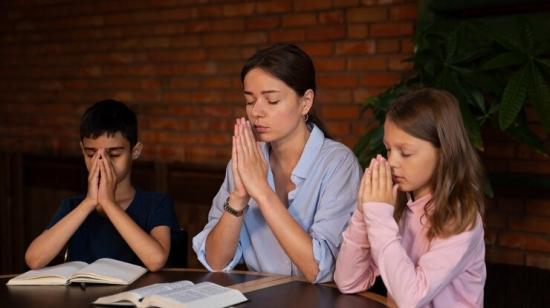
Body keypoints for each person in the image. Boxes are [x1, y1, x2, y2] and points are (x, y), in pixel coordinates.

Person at [192, 44, 362, 283]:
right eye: (250, 101)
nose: (257, 112)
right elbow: (215, 262)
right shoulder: (244, 163)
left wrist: (261, 191)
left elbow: (318, 269)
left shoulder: (338, 164)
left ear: (306, 102)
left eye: (271, 101)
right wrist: (239, 196)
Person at [334, 88, 486, 306]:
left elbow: (410, 298)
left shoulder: (462, 220)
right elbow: (348, 281)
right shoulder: (398, 205)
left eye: (405, 153)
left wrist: (378, 216)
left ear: (443, 152)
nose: (393, 162)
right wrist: (363, 210)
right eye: (388, 150)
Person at [25, 99, 180, 271]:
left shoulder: (156, 203)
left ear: (135, 152)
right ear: (82, 150)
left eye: (113, 154)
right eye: (91, 153)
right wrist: (89, 202)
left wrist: (109, 203)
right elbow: (34, 259)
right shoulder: (73, 206)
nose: (101, 162)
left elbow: (156, 260)